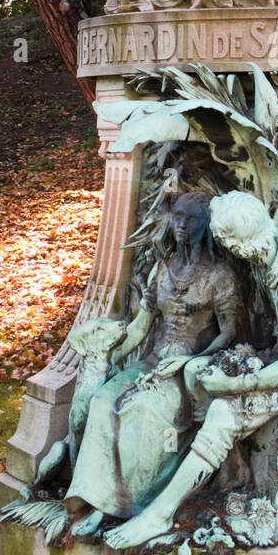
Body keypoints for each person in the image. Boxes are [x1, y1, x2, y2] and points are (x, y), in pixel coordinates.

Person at [104, 190, 278, 549]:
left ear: (243, 244)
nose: (228, 251)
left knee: (222, 410)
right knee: (197, 371)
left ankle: (160, 514)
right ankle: (221, 474)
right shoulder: (277, 245)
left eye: (228, 243)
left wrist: (238, 384)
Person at [63, 192, 241, 536]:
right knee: (102, 401)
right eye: (177, 217)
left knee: (142, 411)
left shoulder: (220, 275)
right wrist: (107, 354)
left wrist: (190, 361)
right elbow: (142, 325)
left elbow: (229, 333)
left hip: (188, 372)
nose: (181, 225)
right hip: (152, 361)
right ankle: (98, 501)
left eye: (190, 219)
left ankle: (133, 506)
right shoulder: (162, 268)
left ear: (206, 226)